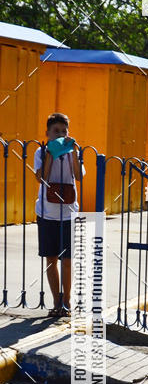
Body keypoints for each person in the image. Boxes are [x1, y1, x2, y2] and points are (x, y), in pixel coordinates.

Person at [34, 112, 83, 317]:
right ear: (48, 133)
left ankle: (67, 301)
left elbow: (79, 176)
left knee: (68, 259)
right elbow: (42, 178)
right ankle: (56, 302)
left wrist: (73, 154)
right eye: (56, 131)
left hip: (69, 212)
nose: (61, 135)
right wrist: (50, 155)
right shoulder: (40, 151)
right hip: (47, 212)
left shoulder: (73, 151)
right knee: (51, 258)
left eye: (64, 131)